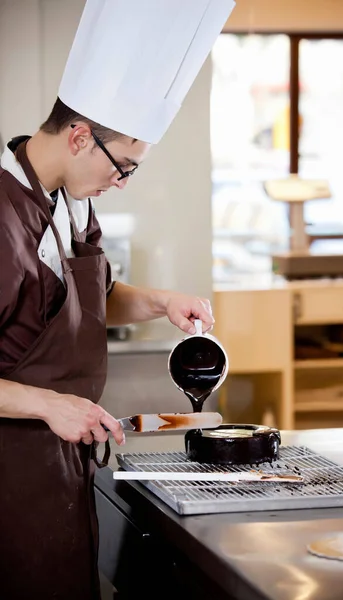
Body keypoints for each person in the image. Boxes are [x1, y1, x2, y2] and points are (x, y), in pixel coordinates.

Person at [0, 1, 235, 598]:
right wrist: (50, 405)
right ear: (80, 136)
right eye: (123, 166)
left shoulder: (72, 201)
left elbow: (93, 297)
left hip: (59, 463)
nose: (123, 182)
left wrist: (157, 302)